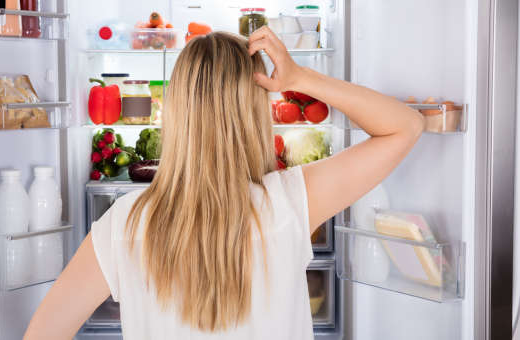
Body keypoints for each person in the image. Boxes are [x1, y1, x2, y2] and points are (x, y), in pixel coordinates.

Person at [23, 28, 424, 340]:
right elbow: (405, 126)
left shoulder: (123, 224)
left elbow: (42, 333)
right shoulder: (290, 202)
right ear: (254, 113)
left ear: (178, 112)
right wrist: (301, 77)